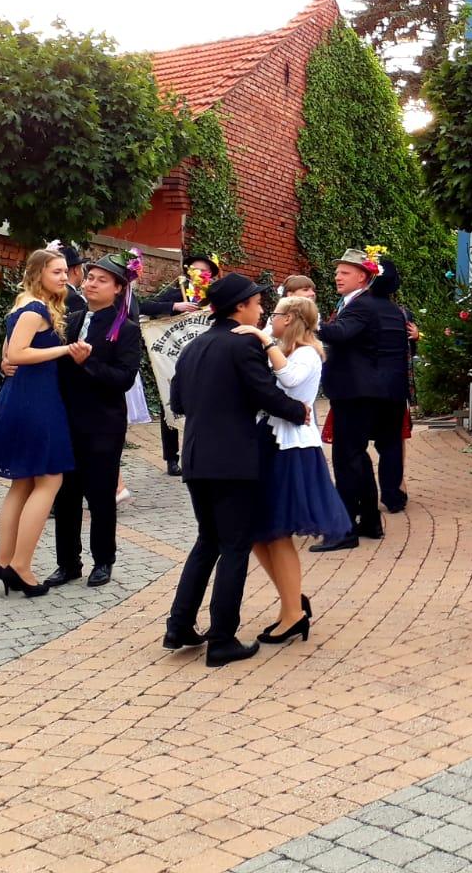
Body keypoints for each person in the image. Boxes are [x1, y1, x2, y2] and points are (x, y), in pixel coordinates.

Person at [163, 273, 308, 667]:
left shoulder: (194, 346)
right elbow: (264, 391)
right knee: (234, 546)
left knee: (207, 540)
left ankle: (178, 626)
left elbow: (177, 399)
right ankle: (222, 638)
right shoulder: (243, 342)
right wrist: (299, 411)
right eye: (257, 302)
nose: (261, 308)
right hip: (232, 460)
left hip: (195, 456)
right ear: (240, 307)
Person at [234, 296, 350, 646]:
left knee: (276, 530)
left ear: (292, 318)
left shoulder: (308, 353)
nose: (271, 318)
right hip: (270, 440)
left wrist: (264, 339)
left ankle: (292, 612)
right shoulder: (286, 348)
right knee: (258, 530)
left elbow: (291, 381)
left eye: (277, 314)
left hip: (291, 446)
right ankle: (292, 598)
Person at [0, 248, 78, 597]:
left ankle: (3, 562)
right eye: (57, 272)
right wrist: (65, 350)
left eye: (66, 271)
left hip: (22, 396)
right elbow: (17, 354)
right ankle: (20, 565)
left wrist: (9, 361)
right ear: (38, 274)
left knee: (21, 483)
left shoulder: (24, 305)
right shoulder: (35, 309)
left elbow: (8, 355)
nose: (64, 277)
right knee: (49, 479)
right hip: (34, 400)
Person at [43, 252, 144, 589]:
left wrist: (88, 363)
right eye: (89, 278)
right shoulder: (70, 319)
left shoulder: (125, 330)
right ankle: (68, 562)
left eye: (102, 280)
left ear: (118, 288)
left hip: (103, 423)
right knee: (66, 495)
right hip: (66, 420)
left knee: (100, 496)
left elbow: (124, 378)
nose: (91, 284)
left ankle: (104, 560)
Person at [311, 249, 409, 550]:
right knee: (358, 458)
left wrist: (305, 323)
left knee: (347, 460)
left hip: (358, 395)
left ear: (364, 277)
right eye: (338, 271)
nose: (337, 276)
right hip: (387, 395)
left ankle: (344, 530)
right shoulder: (389, 308)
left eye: (345, 272)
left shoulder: (360, 306)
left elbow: (340, 333)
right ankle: (369, 522)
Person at [142, 252, 221, 476]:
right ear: (188, 269)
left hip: (205, 357)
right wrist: (176, 306)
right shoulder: (176, 291)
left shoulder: (213, 295)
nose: (202, 274)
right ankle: (171, 458)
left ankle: (203, 453)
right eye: (198, 269)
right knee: (171, 404)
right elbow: (145, 306)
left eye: (207, 271)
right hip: (175, 358)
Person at [369, 258, 421, 512]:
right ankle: (391, 492)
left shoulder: (400, 312)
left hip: (382, 387)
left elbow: (409, 350)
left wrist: (415, 338)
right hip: (388, 387)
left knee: (388, 441)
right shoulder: (398, 312)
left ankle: (391, 489)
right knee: (388, 442)